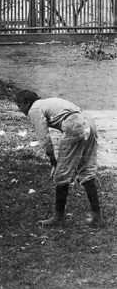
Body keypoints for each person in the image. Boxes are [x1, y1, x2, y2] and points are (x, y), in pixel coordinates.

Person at [15, 90, 106, 228]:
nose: (19, 109)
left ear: (27, 103)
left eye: (19, 105)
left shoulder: (34, 109)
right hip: (89, 124)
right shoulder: (47, 102)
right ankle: (97, 217)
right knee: (87, 171)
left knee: (61, 174)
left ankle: (58, 217)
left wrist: (53, 162)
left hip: (75, 126)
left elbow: (45, 138)